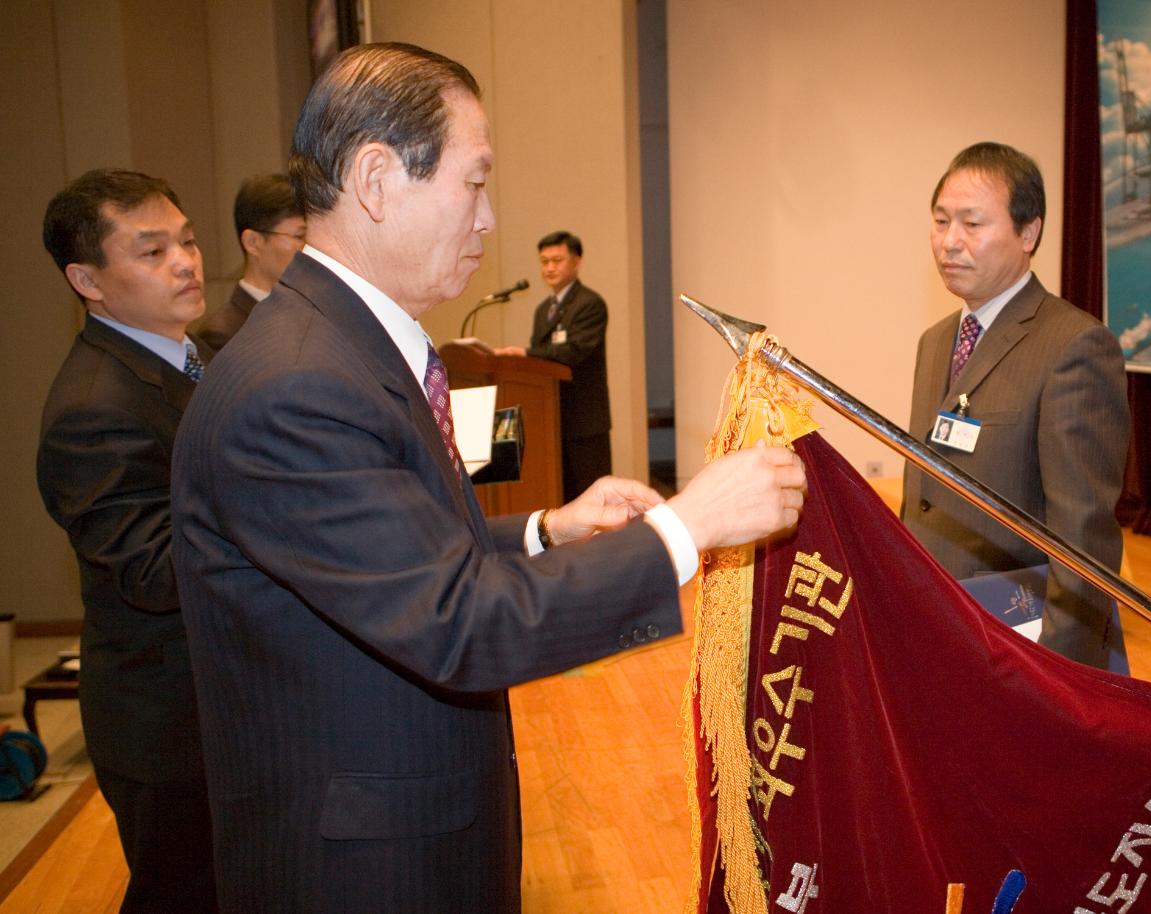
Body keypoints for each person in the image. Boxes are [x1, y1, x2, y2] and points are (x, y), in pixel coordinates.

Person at [169, 42, 805, 913]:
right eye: (473, 183)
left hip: (410, 823)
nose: (488, 216)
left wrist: (545, 530)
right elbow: (457, 623)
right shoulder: (299, 385)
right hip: (362, 869)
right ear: (377, 178)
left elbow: (399, 552)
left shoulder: (341, 345)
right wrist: (687, 529)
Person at [36, 169, 217, 912]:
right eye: (151, 251)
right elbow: (156, 570)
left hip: (213, 705)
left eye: (187, 239)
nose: (185, 261)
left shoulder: (184, 357)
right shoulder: (93, 408)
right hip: (168, 726)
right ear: (88, 279)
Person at [900, 142, 1129, 670]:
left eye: (972, 224)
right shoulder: (935, 342)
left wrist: (1058, 671)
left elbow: (1084, 538)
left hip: (1016, 642)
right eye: (940, 221)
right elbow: (923, 498)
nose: (949, 242)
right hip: (932, 624)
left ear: (1029, 233)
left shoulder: (1074, 346)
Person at [494, 231, 611, 500]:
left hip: (584, 422)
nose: (549, 268)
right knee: (560, 498)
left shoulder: (589, 304)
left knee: (590, 499)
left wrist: (524, 353)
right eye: (544, 261)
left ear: (577, 261)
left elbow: (573, 351)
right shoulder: (542, 309)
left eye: (557, 260)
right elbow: (540, 367)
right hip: (549, 418)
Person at [199, 173, 305, 352]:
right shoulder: (224, 334)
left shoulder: (312, 312)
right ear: (253, 242)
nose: (308, 248)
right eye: (300, 236)